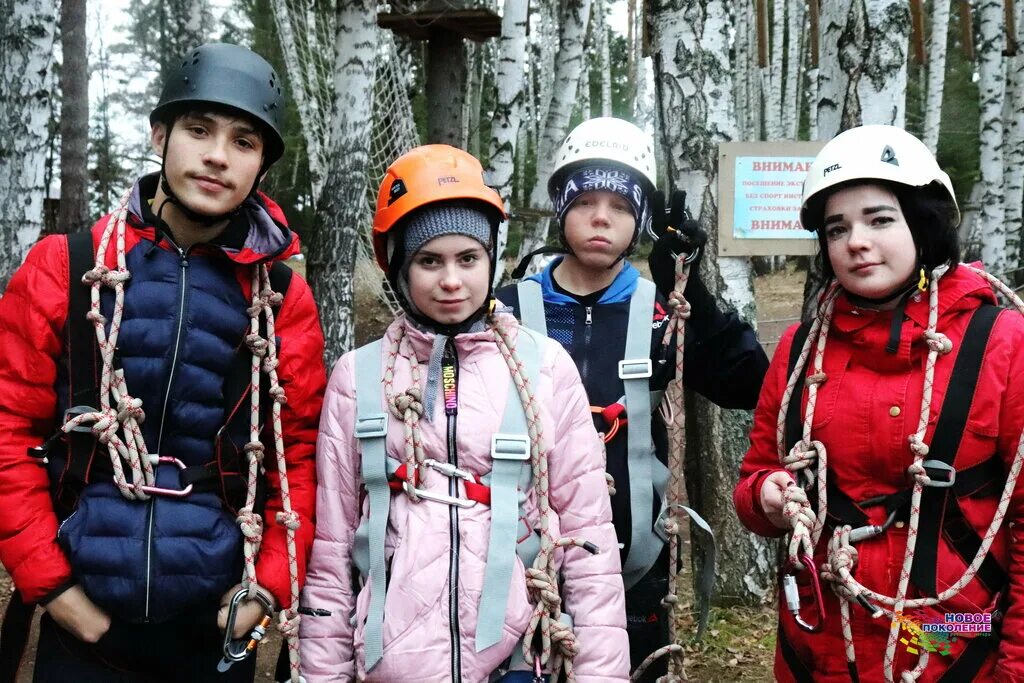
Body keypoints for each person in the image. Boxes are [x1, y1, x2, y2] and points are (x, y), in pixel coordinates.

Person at [0, 43, 326, 682]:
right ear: (160, 134)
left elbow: (299, 454)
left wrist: (263, 590)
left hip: (212, 625)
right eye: (199, 130)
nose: (217, 156)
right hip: (85, 624)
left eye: (244, 141)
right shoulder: (65, 268)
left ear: (261, 164)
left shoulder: (281, 299)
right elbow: (7, 430)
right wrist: (54, 590)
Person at [298, 144, 629, 682]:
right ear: (400, 268)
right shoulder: (359, 379)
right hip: (390, 662)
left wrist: (600, 675)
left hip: (520, 661)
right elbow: (332, 556)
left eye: (468, 259)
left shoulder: (544, 370)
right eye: (430, 260)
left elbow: (589, 541)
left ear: (490, 261)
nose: (452, 280)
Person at [734, 124, 1024, 681]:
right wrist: (766, 496)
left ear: (923, 222)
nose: (856, 241)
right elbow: (756, 478)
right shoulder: (800, 352)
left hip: (952, 640)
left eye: (879, 219)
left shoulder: (1001, 344)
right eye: (836, 228)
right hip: (823, 644)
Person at [495, 116, 768, 679]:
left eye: (620, 206)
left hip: (636, 564)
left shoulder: (664, 314)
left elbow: (748, 382)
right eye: (586, 200)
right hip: (516, 559)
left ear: (640, 219)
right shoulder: (505, 312)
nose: (601, 216)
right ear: (561, 208)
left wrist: (691, 290)